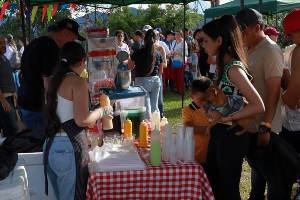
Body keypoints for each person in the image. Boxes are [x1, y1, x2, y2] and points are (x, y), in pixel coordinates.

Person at [202, 15, 265, 200]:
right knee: (215, 186)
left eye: (206, 40)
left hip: (231, 136)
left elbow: (258, 104)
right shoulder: (223, 65)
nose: (203, 45)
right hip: (221, 134)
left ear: (219, 40)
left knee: (228, 192)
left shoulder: (233, 69)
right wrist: (209, 110)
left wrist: (226, 118)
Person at [43, 42, 112, 200]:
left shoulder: (53, 81)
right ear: (81, 61)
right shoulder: (77, 82)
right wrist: (102, 111)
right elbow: (82, 120)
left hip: (50, 145)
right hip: (67, 147)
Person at [235, 8, 285, 200]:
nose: (241, 38)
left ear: (257, 28)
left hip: (265, 126)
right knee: (258, 172)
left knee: (273, 178)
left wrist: (266, 127)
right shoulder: (250, 49)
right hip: (251, 123)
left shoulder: (270, 50)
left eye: (244, 33)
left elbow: (274, 92)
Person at [17, 18, 85, 131]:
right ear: (64, 33)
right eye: (73, 39)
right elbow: (48, 83)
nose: (73, 43)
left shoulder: (36, 42)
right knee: (44, 144)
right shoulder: (51, 47)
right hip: (37, 108)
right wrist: (54, 112)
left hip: (26, 103)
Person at [280, 8, 300, 198]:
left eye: (292, 34)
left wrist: (278, 98)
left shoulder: (299, 52)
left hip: (296, 126)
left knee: (284, 174)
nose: (291, 39)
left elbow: (292, 97)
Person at [129, 29, 163, 119]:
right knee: (154, 106)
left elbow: (130, 66)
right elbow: (161, 71)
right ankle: (156, 126)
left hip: (142, 81)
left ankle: (148, 127)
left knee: (146, 106)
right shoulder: (158, 54)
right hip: (155, 80)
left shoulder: (138, 53)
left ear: (144, 40)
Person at [182, 77, 211, 167]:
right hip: (195, 156)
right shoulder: (187, 110)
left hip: (211, 154)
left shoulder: (213, 110)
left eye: (208, 100)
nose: (205, 103)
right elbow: (188, 128)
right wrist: (211, 129)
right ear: (192, 96)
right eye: (201, 99)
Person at [0, 35, 19, 137]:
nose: (3, 45)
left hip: (10, 97)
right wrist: (3, 101)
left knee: (10, 130)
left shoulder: (4, 58)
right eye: (0, 43)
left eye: (4, 42)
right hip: (4, 98)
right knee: (12, 129)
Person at [169, 30, 188, 95]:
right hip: (174, 61)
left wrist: (176, 52)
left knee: (180, 77)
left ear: (181, 35)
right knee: (175, 76)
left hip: (181, 61)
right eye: (176, 34)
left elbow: (186, 53)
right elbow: (171, 50)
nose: (177, 36)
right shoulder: (174, 42)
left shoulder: (183, 42)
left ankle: (182, 90)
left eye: (178, 34)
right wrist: (171, 53)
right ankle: (178, 89)